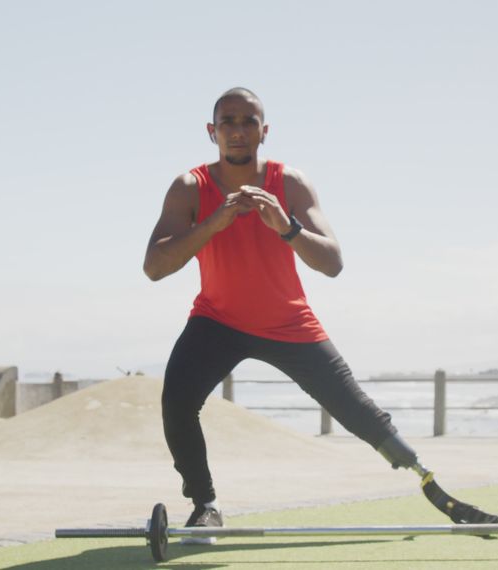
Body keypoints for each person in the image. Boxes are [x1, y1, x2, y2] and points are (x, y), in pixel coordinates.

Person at [143, 87, 424, 543]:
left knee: (354, 408)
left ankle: (422, 473)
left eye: (248, 121)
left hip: (288, 322)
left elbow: (332, 263)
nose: (237, 131)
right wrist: (213, 223)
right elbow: (154, 267)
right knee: (176, 402)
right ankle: (204, 504)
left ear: (264, 131)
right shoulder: (190, 187)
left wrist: (286, 227)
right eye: (228, 122)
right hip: (217, 320)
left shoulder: (289, 182)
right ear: (212, 132)